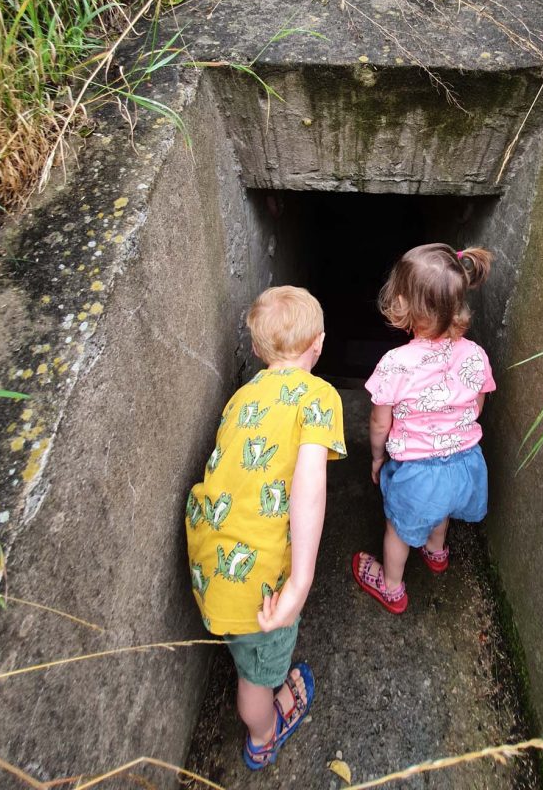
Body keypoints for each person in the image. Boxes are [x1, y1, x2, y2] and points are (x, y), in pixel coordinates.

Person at [186, 286, 346, 769]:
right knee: (256, 677)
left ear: (257, 351)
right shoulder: (319, 396)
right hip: (256, 591)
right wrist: (300, 581)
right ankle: (262, 737)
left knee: (245, 651)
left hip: (208, 557)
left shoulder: (243, 395)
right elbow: (309, 487)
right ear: (319, 343)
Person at [352, 244, 494, 614]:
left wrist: (378, 457)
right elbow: (477, 407)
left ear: (403, 304)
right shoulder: (476, 354)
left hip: (417, 473)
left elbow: (380, 421)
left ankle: (392, 586)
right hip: (465, 464)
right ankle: (436, 552)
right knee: (441, 508)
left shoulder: (395, 363)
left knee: (398, 529)